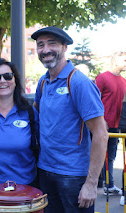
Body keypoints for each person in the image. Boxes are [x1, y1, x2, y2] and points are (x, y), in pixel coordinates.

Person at [32, 26, 108, 212]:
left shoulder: (78, 82)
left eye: (52, 43)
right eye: (40, 45)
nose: (45, 50)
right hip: (46, 171)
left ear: (65, 47)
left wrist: (91, 184)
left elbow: (101, 133)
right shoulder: (43, 82)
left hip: (73, 177)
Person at [0, 58, 39, 186]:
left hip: (24, 188)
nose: (3, 81)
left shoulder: (29, 113)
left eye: (8, 76)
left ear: (15, 80)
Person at [95, 52, 126, 196]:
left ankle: (109, 185)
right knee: (98, 155)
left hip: (116, 125)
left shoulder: (124, 81)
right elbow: (94, 101)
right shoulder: (102, 78)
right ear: (115, 61)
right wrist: (101, 120)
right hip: (101, 125)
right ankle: (99, 184)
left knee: (111, 156)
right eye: (124, 60)